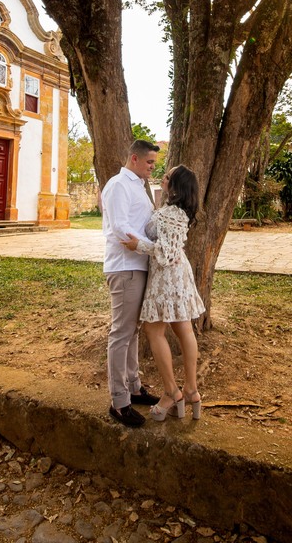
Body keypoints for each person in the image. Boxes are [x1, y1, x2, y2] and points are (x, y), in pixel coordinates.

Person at [123, 165, 206, 421]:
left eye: (168, 176)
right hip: (177, 276)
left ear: (176, 186)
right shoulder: (177, 212)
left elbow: (167, 253)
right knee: (184, 328)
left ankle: (172, 392)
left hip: (168, 278)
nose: (163, 177)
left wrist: (139, 245)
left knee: (153, 330)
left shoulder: (171, 213)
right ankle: (191, 390)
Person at [100, 139, 162, 427]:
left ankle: (134, 388)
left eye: (154, 163)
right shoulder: (118, 185)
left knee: (133, 331)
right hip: (125, 267)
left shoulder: (139, 185)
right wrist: (152, 248)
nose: (152, 167)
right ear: (134, 158)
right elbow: (120, 228)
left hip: (139, 265)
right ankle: (119, 401)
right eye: (149, 162)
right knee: (121, 333)